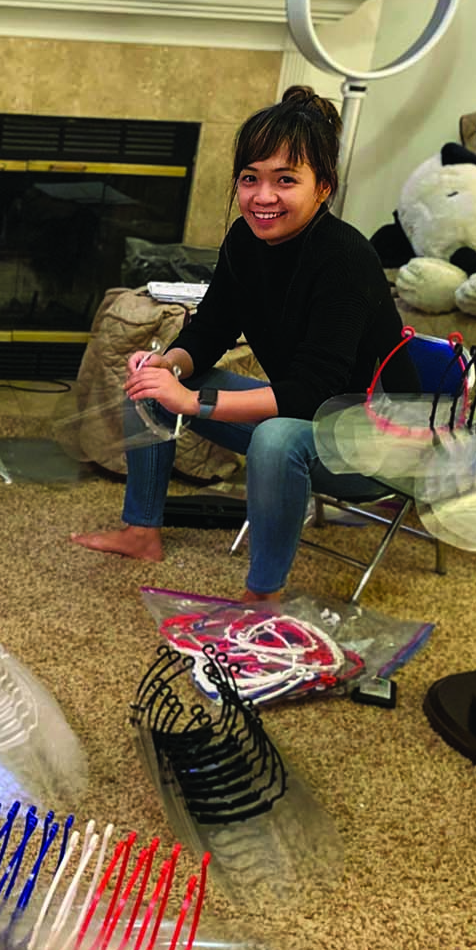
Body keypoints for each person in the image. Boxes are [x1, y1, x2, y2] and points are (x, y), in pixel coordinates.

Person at [71, 85, 417, 601]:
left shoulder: (346, 258)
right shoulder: (244, 240)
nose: (263, 196)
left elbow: (311, 392)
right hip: (307, 416)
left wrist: (193, 402)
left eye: (286, 181)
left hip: (373, 441)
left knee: (276, 437)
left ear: (323, 187)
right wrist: (168, 364)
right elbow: (209, 332)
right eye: (250, 178)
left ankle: (263, 594)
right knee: (152, 383)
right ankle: (141, 532)